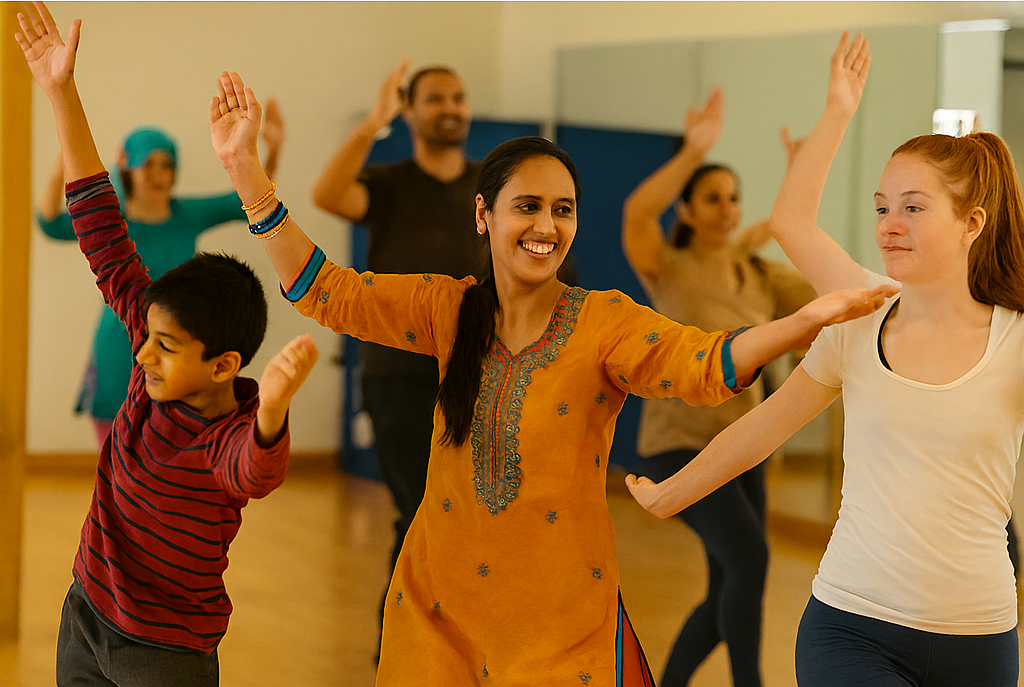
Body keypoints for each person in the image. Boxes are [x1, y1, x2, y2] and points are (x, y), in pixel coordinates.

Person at [207, 67, 893, 684]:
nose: (547, 225)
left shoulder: (603, 321)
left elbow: (703, 363)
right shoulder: (447, 309)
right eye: (528, 206)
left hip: (561, 621)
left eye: (563, 209)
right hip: (438, 608)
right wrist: (244, 169)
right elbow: (326, 290)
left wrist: (806, 321)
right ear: (484, 215)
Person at [627, 31, 1023, 687]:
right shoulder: (861, 312)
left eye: (914, 208)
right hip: (851, 624)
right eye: (882, 207)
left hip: (980, 636)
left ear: (972, 223)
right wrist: (674, 492)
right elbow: (764, 424)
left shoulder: (1014, 342)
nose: (889, 224)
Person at [14, 5, 318, 685]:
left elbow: (255, 471)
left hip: (162, 651)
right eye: (147, 339)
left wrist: (272, 410)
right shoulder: (143, 349)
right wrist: (61, 92)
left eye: (166, 347)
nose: (145, 356)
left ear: (223, 366)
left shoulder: (223, 439)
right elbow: (96, 218)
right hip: (85, 609)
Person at [622, 88, 815, 687]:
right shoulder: (667, 267)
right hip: (680, 445)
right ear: (685, 210)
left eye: (732, 198)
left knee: (734, 579)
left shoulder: (758, 273)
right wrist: (693, 151)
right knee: (750, 560)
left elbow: (822, 294)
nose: (726, 208)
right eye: (711, 198)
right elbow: (635, 214)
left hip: (744, 446)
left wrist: (801, 171)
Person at [310, 60, 483, 640]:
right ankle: (400, 651)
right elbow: (327, 194)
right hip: (397, 377)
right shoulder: (387, 184)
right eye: (435, 99)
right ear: (409, 112)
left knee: (471, 519)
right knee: (420, 513)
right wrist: (371, 125)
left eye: (457, 97)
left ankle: (457, 649)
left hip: (477, 373)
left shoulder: (490, 186)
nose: (450, 108)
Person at [36, 75, 284, 450]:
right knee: (116, 455)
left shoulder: (188, 214)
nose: (157, 174)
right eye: (147, 164)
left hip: (178, 349)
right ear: (128, 168)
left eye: (166, 164)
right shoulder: (111, 218)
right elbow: (50, 223)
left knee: (169, 453)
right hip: (118, 348)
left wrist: (272, 149)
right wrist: (62, 164)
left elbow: (248, 200)